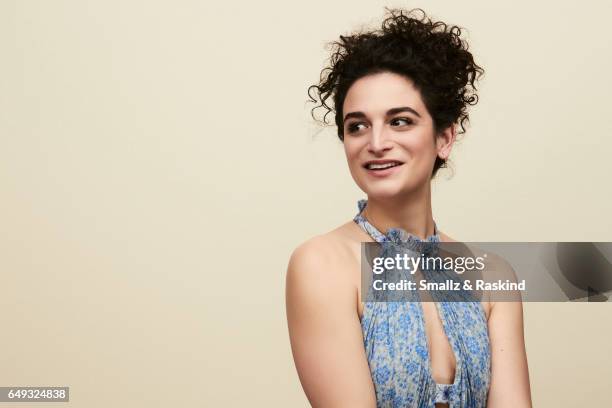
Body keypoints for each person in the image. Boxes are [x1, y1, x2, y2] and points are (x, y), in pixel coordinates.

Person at [285, 7, 532, 408]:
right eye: (357, 125)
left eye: (400, 121)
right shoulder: (321, 263)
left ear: (444, 138)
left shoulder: (492, 275)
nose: (376, 142)